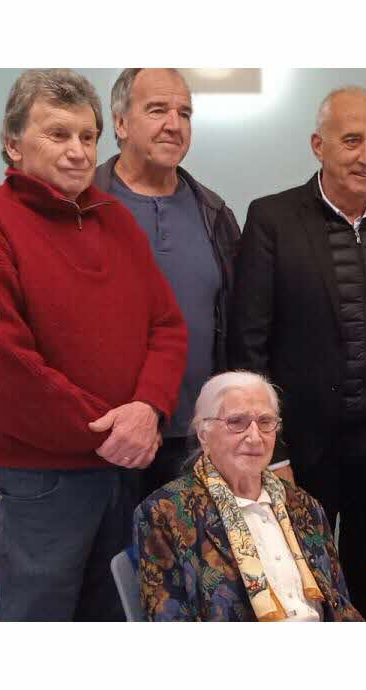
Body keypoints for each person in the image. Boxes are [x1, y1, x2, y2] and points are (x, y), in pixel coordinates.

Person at [0, 69, 187, 621]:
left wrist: (147, 410)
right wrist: (108, 431)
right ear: (12, 143)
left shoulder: (115, 221)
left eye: (88, 136)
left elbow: (167, 326)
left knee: (113, 622)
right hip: (36, 485)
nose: (78, 151)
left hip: (120, 473)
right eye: (58, 134)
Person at [230, 86, 366, 621]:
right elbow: (247, 346)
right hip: (302, 452)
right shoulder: (272, 219)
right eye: (351, 140)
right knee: (300, 581)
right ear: (318, 145)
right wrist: (269, 450)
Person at [94, 68, 270, 494]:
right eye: (157, 110)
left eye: (184, 113)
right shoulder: (83, 206)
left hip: (195, 440)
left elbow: (238, 326)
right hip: (106, 438)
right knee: (109, 561)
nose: (174, 124)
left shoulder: (214, 212)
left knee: (190, 561)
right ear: (120, 123)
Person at [134, 371, 363, 621]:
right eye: (236, 422)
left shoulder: (304, 507)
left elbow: (340, 604)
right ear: (203, 433)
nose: (255, 437)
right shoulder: (165, 512)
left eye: (265, 422)